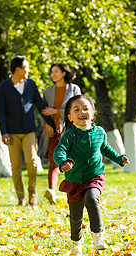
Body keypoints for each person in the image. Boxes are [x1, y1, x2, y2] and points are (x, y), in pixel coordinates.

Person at [53, 95, 130, 256]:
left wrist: (119, 158)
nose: (82, 112)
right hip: (74, 180)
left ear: (93, 113)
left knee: (92, 198)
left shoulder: (99, 132)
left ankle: (98, 236)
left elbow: (106, 149)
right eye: (77, 109)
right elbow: (59, 151)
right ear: (70, 117)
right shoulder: (69, 135)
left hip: (94, 176)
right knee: (76, 217)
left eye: (86, 108)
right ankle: (76, 245)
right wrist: (63, 162)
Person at [0, 56, 55, 206]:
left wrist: (50, 124)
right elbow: (1, 112)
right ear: (18, 69)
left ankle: (32, 194)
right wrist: (3, 132)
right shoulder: (3, 88)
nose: (28, 70)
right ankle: (21, 198)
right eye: (26, 67)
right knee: (15, 165)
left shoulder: (30, 85)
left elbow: (40, 105)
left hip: (29, 130)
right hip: (11, 132)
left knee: (32, 161)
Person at [41, 63, 81, 204]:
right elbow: (43, 112)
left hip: (70, 131)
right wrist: (46, 125)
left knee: (71, 160)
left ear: (64, 73)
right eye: (51, 72)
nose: (53, 75)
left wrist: (56, 111)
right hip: (53, 132)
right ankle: (51, 191)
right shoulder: (47, 91)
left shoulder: (74, 89)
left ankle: (74, 189)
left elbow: (77, 109)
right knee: (53, 161)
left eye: (56, 71)